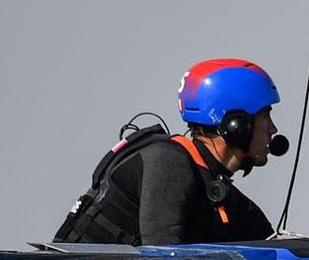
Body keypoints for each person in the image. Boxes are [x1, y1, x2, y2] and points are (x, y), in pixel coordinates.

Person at [54, 59, 282, 246]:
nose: (273, 129)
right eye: (265, 116)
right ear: (236, 124)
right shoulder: (168, 163)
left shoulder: (220, 191)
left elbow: (274, 249)